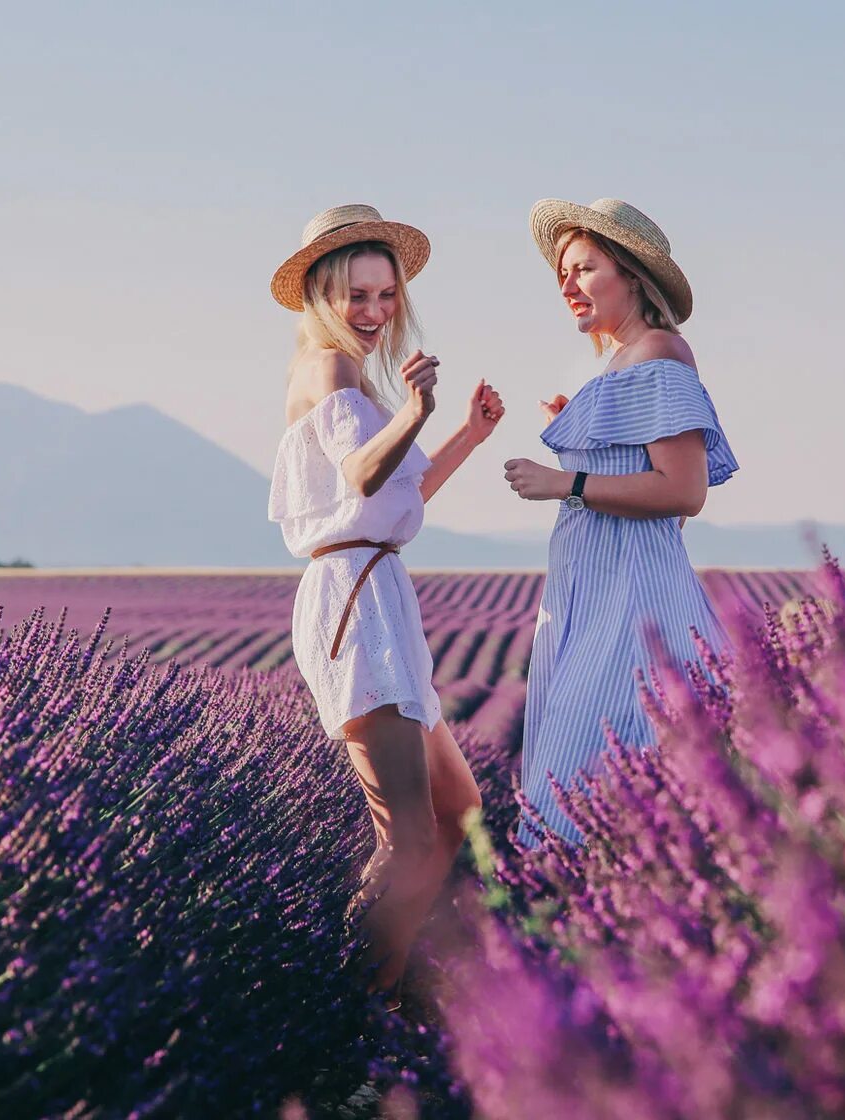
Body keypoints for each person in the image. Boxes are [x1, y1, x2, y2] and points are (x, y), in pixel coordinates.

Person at [267, 204, 502, 996]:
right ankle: (344, 1020)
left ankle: (401, 1003)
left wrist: (465, 433)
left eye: (385, 295)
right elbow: (362, 472)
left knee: (458, 811)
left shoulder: (360, 381)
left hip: (380, 589)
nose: (373, 313)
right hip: (350, 600)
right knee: (405, 835)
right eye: (355, 296)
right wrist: (415, 410)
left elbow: (398, 493)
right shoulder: (327, 371)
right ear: (321, 300)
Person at [503, 198, 738, 845]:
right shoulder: (622, 362)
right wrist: (588, 437)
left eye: (584, 268)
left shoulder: (658, 352)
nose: (568, 287)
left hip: (632, 608)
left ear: (632, 275)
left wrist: (566, 481)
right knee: (601, 794)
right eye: (562, 275)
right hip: (601, 596)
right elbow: (653, 488)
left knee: (578, 794)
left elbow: (684, 491)